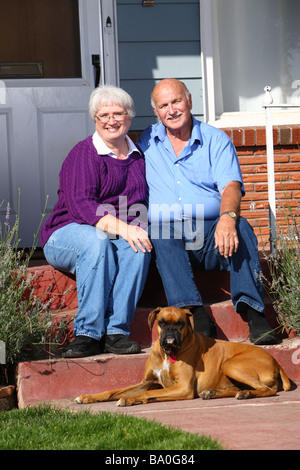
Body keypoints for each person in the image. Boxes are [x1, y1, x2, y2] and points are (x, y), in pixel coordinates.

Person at [138, 78, 277, 345]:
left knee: (242, 226)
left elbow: (232, 186)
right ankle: (195, 313)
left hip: (210, 235)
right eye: (164, 105)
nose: (172, 110)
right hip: (168, 241)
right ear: (156, 112)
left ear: (189, 100)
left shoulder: (215, 139)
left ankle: (254, 312)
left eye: (176, 101)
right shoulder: (147, 141)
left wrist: (227, 218)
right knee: (160, 228)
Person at [41, 85, 152, 358]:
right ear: (95, 118)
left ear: (129, 117)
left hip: (112, 232)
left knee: (138, 248)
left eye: (118, 113)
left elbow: (141, 205)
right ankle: (87, 334)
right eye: (104, 115)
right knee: (96, 242)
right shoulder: (84, 153)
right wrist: (126, 229)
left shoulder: (139, 157)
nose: (111, 120)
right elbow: (83, 207)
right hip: (67, 233)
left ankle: (116, 332)